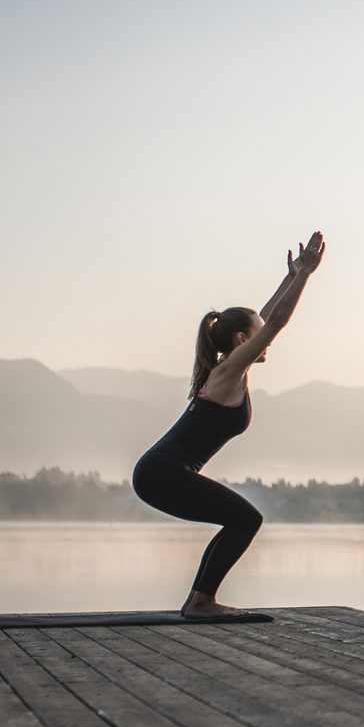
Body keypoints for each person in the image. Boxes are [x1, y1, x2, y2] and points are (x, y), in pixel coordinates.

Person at [132, 230, 326, 619]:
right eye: (257, 338)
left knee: (238, 519)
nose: (265, 344)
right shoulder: (227, 371)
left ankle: (198, 601)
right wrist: (305, 276)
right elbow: (276, 324)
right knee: (246, 519)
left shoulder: (228, 368)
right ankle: (201, 601)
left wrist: (290, 277)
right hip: (162, 472)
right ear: (242, 340)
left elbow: (265, 319)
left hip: (158, 472)